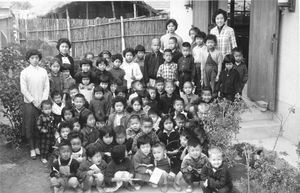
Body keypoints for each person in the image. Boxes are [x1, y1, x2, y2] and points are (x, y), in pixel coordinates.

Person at [20, 49, 49, 159]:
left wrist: (43, 101)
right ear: (28, 59)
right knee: (30, 126)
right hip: (29, 104)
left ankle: (37, 146)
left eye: (37, 58)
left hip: (41, 103)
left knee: (39, 126)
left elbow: (46, 87)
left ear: (39, 58)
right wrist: (33, 100)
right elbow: (24, 89)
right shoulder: (25, 72)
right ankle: (32, 148)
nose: (35, 60)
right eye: (32, 58)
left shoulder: (43, 71)